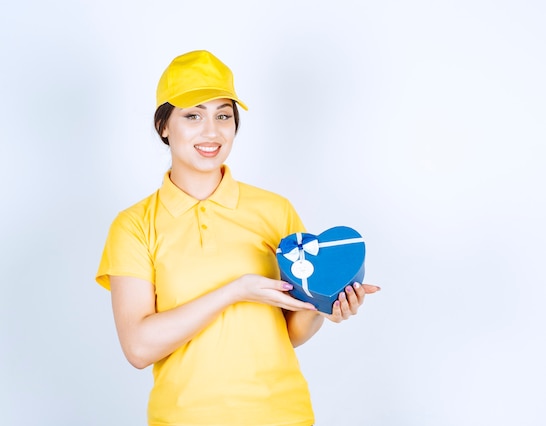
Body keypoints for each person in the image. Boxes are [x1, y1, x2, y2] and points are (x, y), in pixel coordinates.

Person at [96, 50, 380, 426]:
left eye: (223, 115)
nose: (211, 131)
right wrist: (235, 290)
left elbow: (289, 331)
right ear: (164, 126)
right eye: (193, 115)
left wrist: (326, 306)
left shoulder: (274, 211)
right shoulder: (133, 226)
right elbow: (138, 347)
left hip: (282, 414)